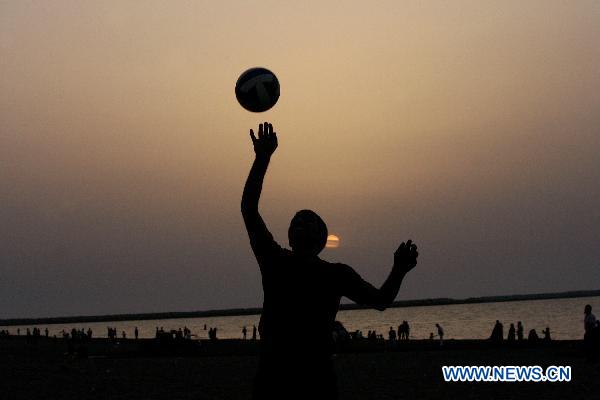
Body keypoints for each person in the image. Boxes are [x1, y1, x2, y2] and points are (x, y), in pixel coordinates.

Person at [242, 122, 419, 400]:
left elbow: (381, 300)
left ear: (320, 237)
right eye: (296, 220)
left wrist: (399, 270)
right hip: (274, 376)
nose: (299, 222)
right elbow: (249, 209)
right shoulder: (275, 260)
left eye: (306, 220)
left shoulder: (336, 274)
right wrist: (262, 158)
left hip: (315, 378)